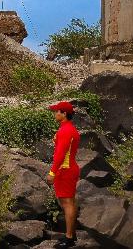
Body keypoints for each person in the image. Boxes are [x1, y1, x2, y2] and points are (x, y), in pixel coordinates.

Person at [47, 101, 80, 248]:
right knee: (70, 203)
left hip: (65, 170)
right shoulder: (68, 128)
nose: (55, 114)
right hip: (69, 168)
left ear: (64, 113)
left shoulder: (65, 131)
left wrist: (52, 172)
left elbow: (60, 155)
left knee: (67, 204)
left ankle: (69, 238)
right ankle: (72, 235)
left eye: (57, 112)